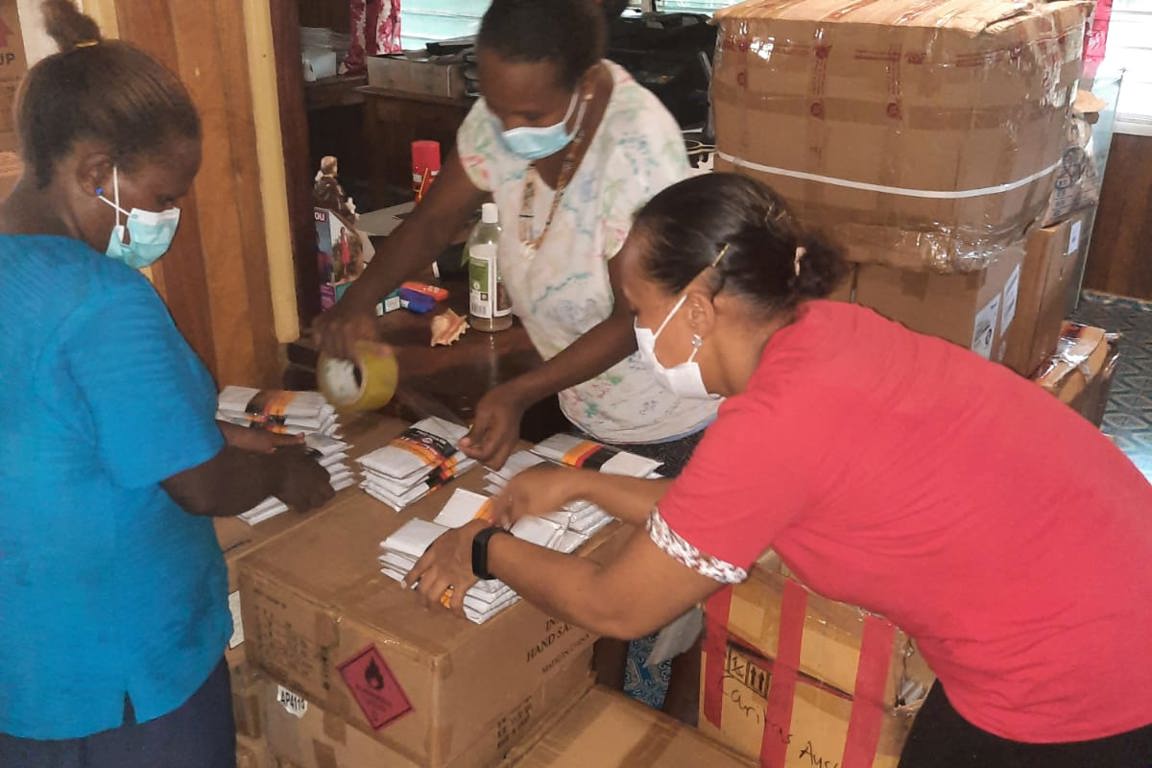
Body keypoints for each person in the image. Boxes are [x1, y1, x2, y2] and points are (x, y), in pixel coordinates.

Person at [406, 173, 1152, 767]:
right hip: (1109, 588)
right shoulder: (821, 335)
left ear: (697, 311)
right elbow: (732, 509)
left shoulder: (775, 424)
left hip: (1080, 671)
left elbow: (617, 607)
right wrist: (578, 482)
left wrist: (482, 551)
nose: (633, 331)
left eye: (638, 308)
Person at [0, 3, 335, 766]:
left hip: (22, 659)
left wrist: (217, 433)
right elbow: (200, 488)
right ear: (94, 173)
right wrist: (281, 470)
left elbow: (58, 428)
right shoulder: (102, 300)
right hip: (123, 671)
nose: (171, 215)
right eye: (163, 197)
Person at [315, 0, 716, 475]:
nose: (505, 131)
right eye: (494, 106)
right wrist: (357, 300)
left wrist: (519, 392)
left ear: (584, 86)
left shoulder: (636, 153)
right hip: (586, 412)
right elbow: (433, 223)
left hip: (674, 424)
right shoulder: (506, 112)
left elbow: (633, 319)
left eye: (529, 115)